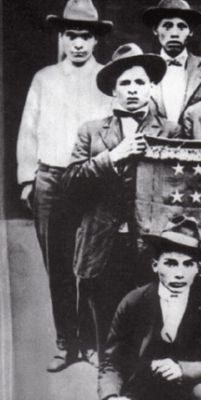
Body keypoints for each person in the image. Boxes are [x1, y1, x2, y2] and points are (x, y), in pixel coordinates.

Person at [62, 43, 180, 361]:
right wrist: (112, 157)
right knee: (109, 339)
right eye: (125, 83)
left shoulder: (171, 131)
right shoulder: (91, 132)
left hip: (150, 247)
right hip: (104, 247)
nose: (132, 90)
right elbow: (69, 183)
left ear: (152, 86)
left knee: (150, 334)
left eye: (139, 82)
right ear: (113, 89)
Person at [15, 0, 113, 371]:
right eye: (71, 36)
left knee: (88, 263)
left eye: (84, 36)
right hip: (51, 178)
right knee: (56, 264)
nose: (77, 44)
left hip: (90, 179)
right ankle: (64, 342)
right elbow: (28, 129)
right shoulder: (44, 78)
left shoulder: (106, 78)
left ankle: (89, 341)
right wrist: (28, 179)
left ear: (95, 40)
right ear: (62, 37)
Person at [99, 216, 201, 400]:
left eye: (188, 264)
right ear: (155, 265)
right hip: (145, 388)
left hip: (194, 384)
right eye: (170, 263)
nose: (179, 274)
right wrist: (111, 396)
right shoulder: (135, 301)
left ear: (198, 268)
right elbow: (112, 363)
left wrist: (181, 368)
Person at [143, 0, 201, 124]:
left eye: (181, 26)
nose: (174, 33)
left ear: (190, 31)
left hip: (195, 141)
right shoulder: (143, 69)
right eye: (167, 26)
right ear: (155, 30)